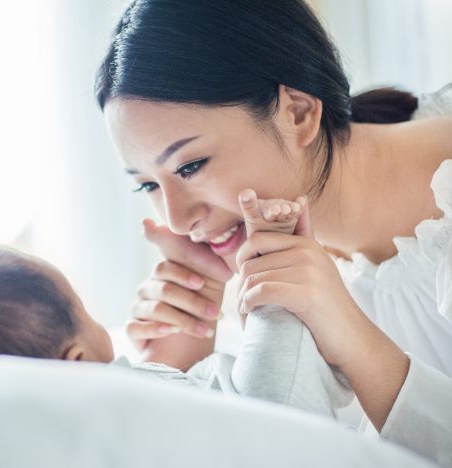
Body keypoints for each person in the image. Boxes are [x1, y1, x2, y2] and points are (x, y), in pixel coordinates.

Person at [94, 0, 452, 466]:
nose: (178, 221)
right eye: (148, 184)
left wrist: (353, 337)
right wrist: (184, 368)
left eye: (191, 165)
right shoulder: (277, 272)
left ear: (298, 113)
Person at [0, 194, 351, 420]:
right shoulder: (112, 399)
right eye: (83, 307)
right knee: (272, 375)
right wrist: (269, 275)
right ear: (76, 363)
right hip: (272, 428)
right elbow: (274, 408)